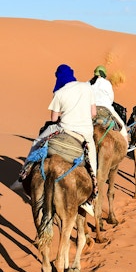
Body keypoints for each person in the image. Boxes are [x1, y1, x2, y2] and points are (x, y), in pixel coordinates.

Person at [28, 64, 97, 216]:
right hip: (84, 133)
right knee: (92, 160)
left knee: (37, 142)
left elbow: (53, 118)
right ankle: (92, 196)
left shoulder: (59, 93)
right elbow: (93, 113)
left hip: (63, 129)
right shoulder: (86, 87)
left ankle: (24, 171)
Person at [90, 65, 136, 152]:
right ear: (103, 74)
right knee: (122, 125)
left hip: (90, 109)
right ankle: (126, 146)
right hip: (106, 108)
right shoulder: (106, 83)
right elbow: (111, 98)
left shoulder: (89, 83)